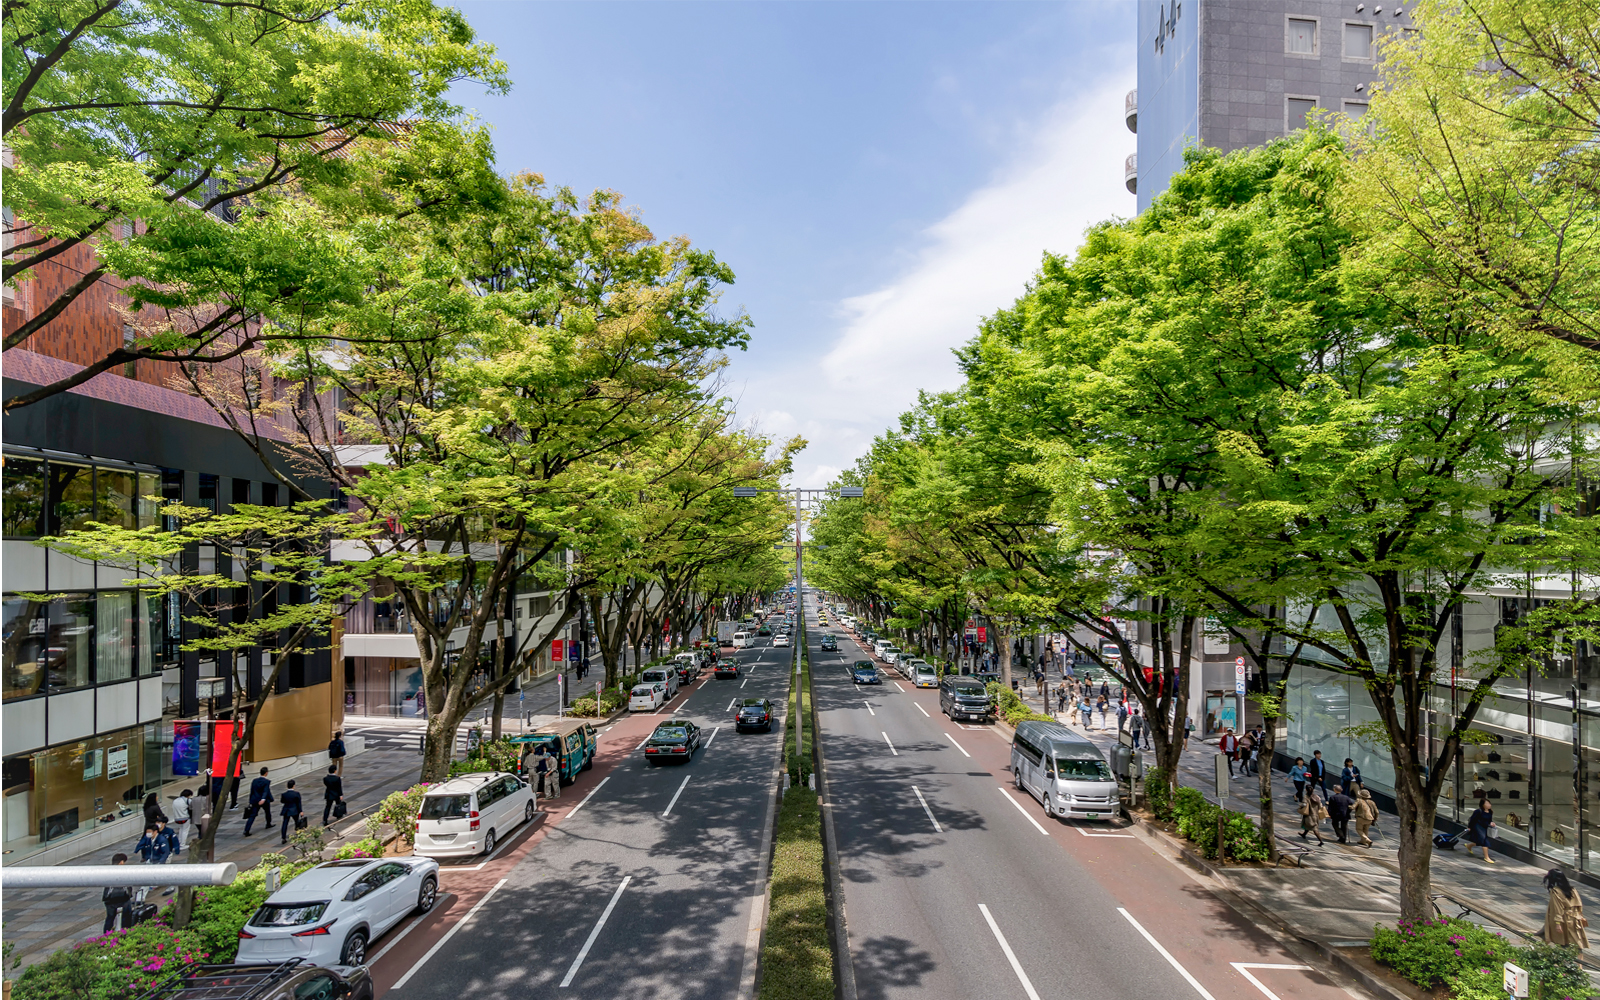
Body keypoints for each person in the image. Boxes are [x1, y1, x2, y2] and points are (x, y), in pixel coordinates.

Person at [1542, 868, 1589, 948]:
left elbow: (1558, 908)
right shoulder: (1573, 889)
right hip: (1575, 919)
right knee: (1576, 943)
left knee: (1566, 944)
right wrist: (1580, 916)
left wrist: (1558, 924)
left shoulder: (1556, 892)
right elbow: (1579, 905)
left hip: (1564, 920)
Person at [102, 853, 135, 933]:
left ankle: (106, 935)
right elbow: (128, 887)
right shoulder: (123, 872)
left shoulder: (108, 872)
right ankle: (125, 933)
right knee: (126, 917)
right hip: (123, 898)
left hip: (109, 899)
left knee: (110, 918)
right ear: (121, 862)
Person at [242, 767, 273, 837]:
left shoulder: (254, 781)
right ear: (266, 773)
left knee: (252, 815)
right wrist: (263, 799)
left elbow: (252, 791)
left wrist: (250, 800)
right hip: (263, 801)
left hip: (254, 800)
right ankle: (268, 824)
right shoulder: (266, 782)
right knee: (267, 812)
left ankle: (246, 830)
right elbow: (266, 791)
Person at [1466, 798, 1497, 864]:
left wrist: (1492, 823)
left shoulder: (1490, 812)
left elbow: (1489, 820)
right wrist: (1469, 827)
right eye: (1486, 803)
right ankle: (1486, 857)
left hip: (1484, 827)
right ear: (1482, 805)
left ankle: (1469, 845)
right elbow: (1472, 819)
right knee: (1484, 841)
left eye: (1489, 803)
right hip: (1477, 827)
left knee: (1480, 840)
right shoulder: (1478, 811)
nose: (1489, 805)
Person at [278, 779, 303, 845]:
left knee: (285, 824)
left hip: (286, 809)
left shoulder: (284, 794)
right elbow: (299, 803)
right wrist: (301, 811)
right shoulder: (296, 794)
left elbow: (282, 801)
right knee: (296, 822)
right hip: (294, 810)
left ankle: (283, 837)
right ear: (293, 786)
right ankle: (299, 833)